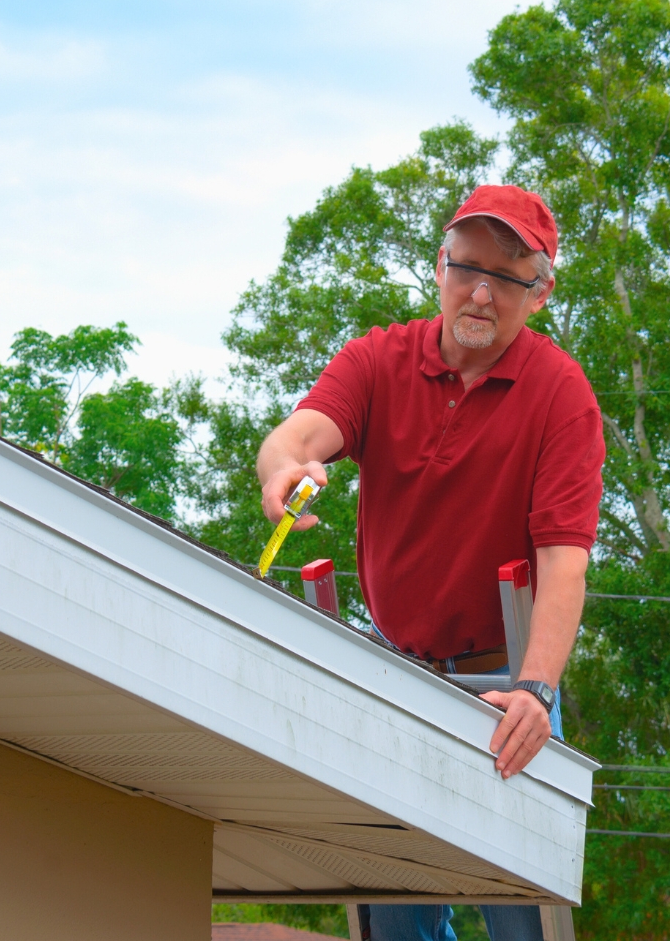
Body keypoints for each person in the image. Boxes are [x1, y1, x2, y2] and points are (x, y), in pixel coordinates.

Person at [255, 185, 606, 941]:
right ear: (439, 267)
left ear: (539, 292)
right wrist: (284, 468)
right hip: (396, 676)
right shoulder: (379, 359)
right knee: (393, 920)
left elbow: (565, 562)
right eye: (466, 268)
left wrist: (536, 694)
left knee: (521, 918)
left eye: (508, 276)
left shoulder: (560, 396)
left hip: (502, 694)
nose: (481, 292)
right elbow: (299, 436)